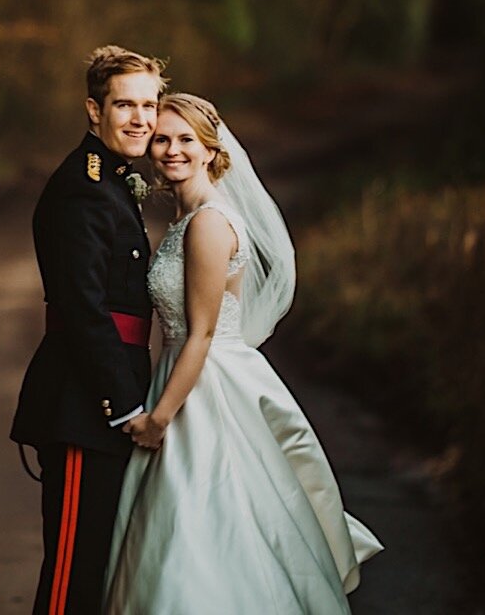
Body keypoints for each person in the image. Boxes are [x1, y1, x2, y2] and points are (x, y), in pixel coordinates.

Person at [104, 93, 382, 613]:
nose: (171, 150)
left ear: (211, 150)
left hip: (202, 384)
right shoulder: (186, 217)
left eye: (186, 140)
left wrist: (160, 417)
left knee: (203, 525)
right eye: (162, 138)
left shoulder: (209, 223)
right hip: (185, 373)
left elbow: (202, 334)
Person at [11, 45, 167, 615]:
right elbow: (83, 310)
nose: (140, 119)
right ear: (93, 110)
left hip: (105, 398)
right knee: (71, 579)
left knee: (94, 569)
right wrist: (123, 406)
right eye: (125, 104)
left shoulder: (114, 180)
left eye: (149, 105)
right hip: (85, 405)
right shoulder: (83, 187)